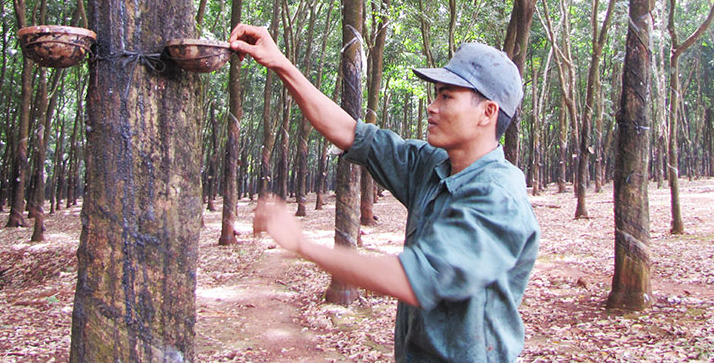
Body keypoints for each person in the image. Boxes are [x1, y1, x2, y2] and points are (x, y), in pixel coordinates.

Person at [228, 23, 540, 363]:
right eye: (436, 94)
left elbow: (413, 279)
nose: (432, 107)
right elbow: (350, 132)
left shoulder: (498, 197)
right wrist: (280, 63)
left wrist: (302, 244)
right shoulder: (433, 165)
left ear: (487, 112)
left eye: (446, 96)